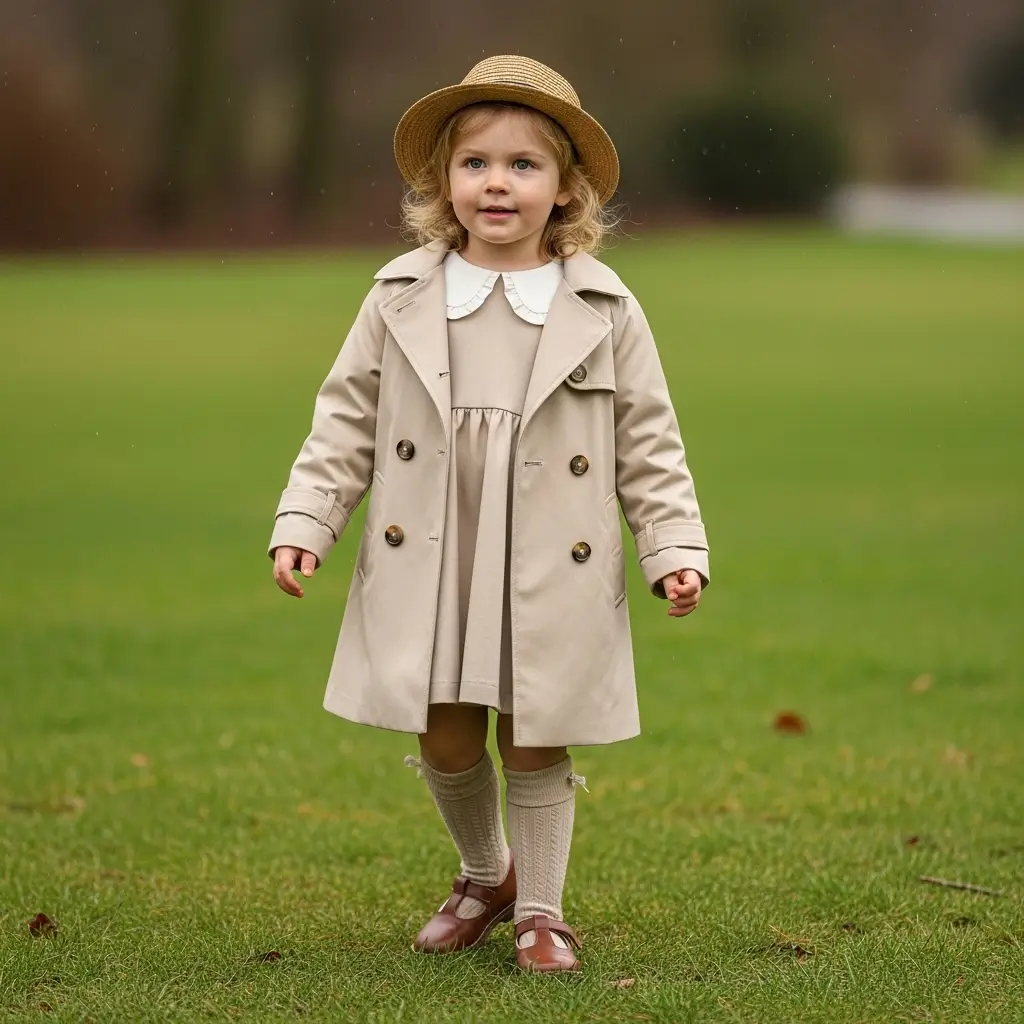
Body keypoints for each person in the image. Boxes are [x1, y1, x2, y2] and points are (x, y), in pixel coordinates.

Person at [268, 55, 710, 974]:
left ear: (565, 189)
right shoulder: (398, 296)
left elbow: (649, 440)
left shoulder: (606, 306)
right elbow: (345, 418)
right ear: (444, 184)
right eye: (475, 164)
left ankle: (541, 910)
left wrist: (673, 546)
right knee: (446, 733)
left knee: (536, 727)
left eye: (523, 165)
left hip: (553, 551)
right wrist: (306, 520)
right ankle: (485, 873)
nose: (496, 183)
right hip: (436, 548)